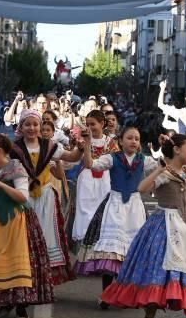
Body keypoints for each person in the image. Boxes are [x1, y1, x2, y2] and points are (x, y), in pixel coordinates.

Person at [101, 133, 186, 318]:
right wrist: (158, 169)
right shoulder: (166, 173)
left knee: (172, 273)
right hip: (163, 226)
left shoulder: (184, 173)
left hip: (182, 226)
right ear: (176, 149)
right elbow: (141, 188)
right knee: (159, 272)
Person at [0, 134, 55, 318]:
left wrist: (0, 184)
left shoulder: (15, 167)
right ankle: (4, 302)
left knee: (19, 263)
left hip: (19, 220)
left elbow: (23, 197)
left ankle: (22, 309)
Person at [76, 126, 159, 304]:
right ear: (120, 141)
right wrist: (88, 143)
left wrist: (166, 146)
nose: (133, 141)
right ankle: (106, 294)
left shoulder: (144, 160)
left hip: (135, 208)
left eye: (137, 139)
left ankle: (126, 294)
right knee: (111, 253)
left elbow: (162, 166)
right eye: (129, 138)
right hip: (115, 205)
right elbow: (91, 165)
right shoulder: (112, 158)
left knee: (131, 252)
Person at [10, 109, 84, 285]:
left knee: (46, 235)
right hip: (24, 197)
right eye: (27, 124)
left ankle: (44, 277)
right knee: (24, 236)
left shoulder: (49, 146)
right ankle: (24, 274)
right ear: (21, 126)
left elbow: (71, 156)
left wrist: (80, 149)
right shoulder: (15, 148)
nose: (32, 128)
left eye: (35, 124)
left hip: (45, 196)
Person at [71, 110, 119, 243]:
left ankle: (100, 238)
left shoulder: (110, 142)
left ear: (102, 123)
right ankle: (83, 238)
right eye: (87, 124)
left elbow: (117, 161)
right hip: (86, 177)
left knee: (101, 207)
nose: (90, 127)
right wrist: (79, 146)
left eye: (93, 124)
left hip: (104, 178)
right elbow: (74, 157)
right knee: (84, 208)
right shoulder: (83, 140)